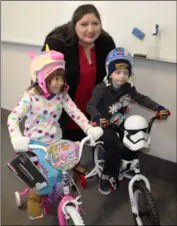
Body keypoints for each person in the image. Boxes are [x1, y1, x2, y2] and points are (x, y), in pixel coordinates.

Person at [7, 46, 103, 219]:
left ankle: (53, 194)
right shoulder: (30, 97)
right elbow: (13, 118)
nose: (59, 82)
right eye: (54, 78)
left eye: (61, 78)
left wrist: (88, 128)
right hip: (35, 142)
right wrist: (16, 136)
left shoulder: (61, 95)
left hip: (55, 139)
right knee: (51, 173)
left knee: (63, 172)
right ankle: (35, 197)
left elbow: (75, 112)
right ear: (43, 78)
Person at [41, 4, 116, 175]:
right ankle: (54, 170)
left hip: (89, 97)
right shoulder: (57, 42)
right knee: (60, 132)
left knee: (81, 129)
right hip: (62, 98)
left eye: (95, 23)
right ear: (74, 24)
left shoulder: (106, 42)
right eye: (84, 24)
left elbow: (111, 72)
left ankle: (73, 161)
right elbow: (41, 73)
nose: (90, 29)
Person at [86, 47, 171, 195]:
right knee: (112, 144)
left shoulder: (128, 88)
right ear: (110, 73)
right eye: (117, 72)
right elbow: (90, 105)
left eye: (125, 73)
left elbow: (142, 99)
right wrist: (98, 118)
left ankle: (126, 164)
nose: (121, 76)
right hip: (104, 123)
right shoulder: (101, 88)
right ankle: (107, 175)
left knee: (133, 136)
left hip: (120, 120)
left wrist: (158, 108)